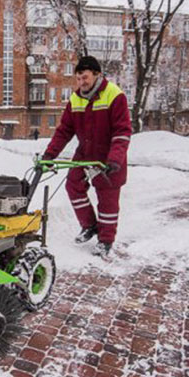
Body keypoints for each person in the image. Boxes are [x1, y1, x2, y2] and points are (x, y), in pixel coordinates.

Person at [42, 56, 131, 257]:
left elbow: (122, 131)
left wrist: (115, 159)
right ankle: (90, 225)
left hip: (108, 157)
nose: (82, 82)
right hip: (85, 153)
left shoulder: (115, 95)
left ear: (97, 75)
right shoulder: (75, 99)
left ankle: (105, 241)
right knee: (73, 185)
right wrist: (49, 154)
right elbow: (64, 130)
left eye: (85, 77)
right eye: (79, 78)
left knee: (107, 198)